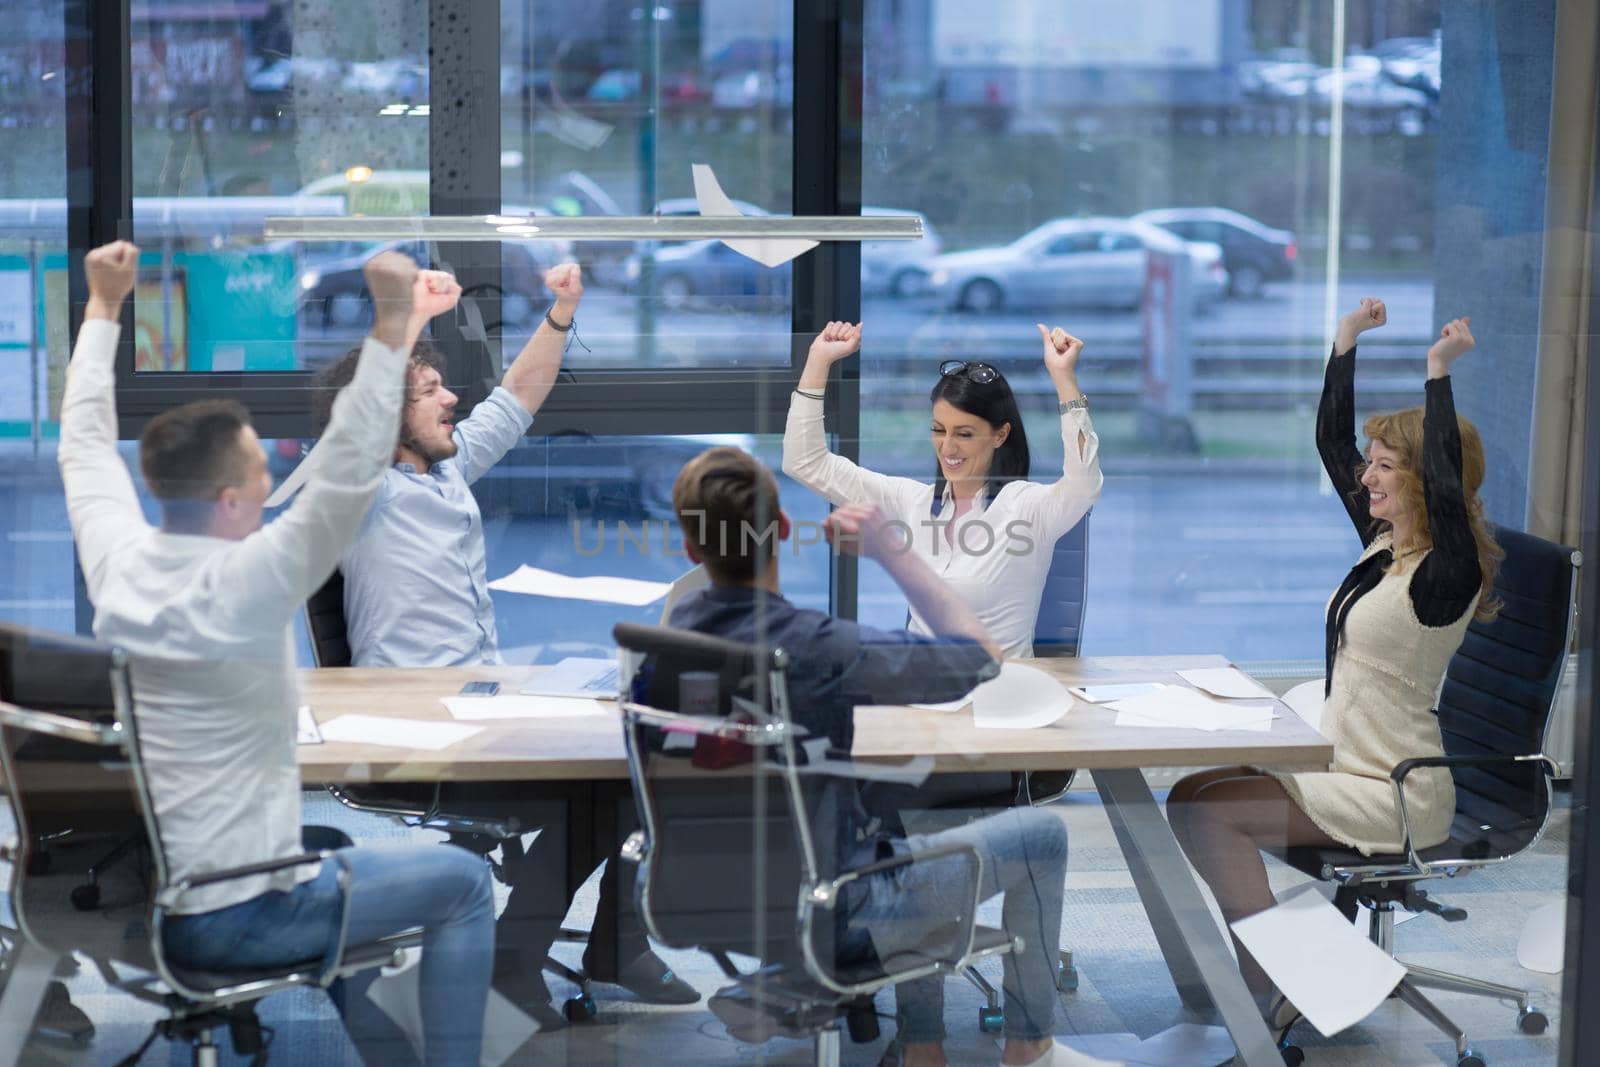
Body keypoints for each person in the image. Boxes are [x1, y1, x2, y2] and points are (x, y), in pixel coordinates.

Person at [58, 240, 494, 1066]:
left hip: (177, 893)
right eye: (261, 469)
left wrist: (103, 307)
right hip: (240, 910)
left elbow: (82, 446)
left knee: (331, 854)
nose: (275, 478)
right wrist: (394, 322)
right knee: (464, 884)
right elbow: (352, 463)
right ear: (230, 497)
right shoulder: (249, 581)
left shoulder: (119, 563)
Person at [309, 262, 696, 1024]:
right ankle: (522, 960)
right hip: (417, 725)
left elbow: (519, 394)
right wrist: (409, 319)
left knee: (645, 749)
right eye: (428, 390)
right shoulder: (359, 490)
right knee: (603, 788)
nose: (452, 398)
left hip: (479, 699)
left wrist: (562, 311)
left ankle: (604, 946)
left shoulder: (446, 472)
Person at [668, 446, 1115, 1067]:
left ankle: (883, 1025)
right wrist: (893, 552)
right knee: (1040, 835)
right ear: (787, 531)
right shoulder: (818, 647)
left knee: (886, 813)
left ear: (690, 549)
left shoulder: (664, 638)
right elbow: (980, 660)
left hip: (702, 894)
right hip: (839, 903)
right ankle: (1029, 1046)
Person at [1165, 299, 1501, 1029]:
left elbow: (1449, 485)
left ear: (1422, 485)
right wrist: (1345, 342)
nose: (1367, 476)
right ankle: (1290, 972)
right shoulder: (1386, 544)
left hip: (1394, 786)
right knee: (1188, 794)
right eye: (1372, 465)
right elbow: (1330, 441)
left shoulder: (1447, 573)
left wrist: (1435, 374)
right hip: (1342, 761)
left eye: (1385, 467)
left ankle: (1273, 985)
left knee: (1211, 810)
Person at [783, 320, 1102, 658]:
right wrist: (818, 361)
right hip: (921, 696)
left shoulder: (1026, 508)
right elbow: (804, 462)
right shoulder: (912, 502)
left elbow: (1083, 486)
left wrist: (1064, 379)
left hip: (998, 699)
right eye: (939, 430)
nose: (947, 448)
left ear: (1000, 435)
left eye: (964, 434)